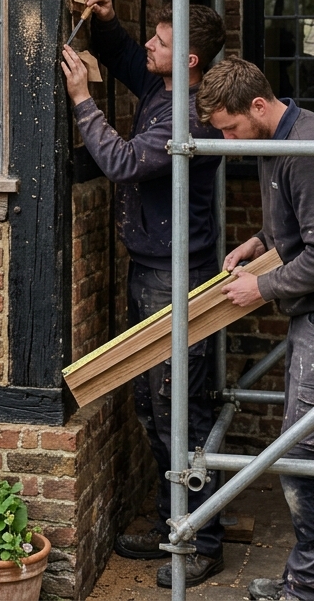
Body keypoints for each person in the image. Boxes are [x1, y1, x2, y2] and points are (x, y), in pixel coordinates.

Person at [61, 0, 227, 588]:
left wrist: (83, 99)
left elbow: (125, 162)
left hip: (174, 278)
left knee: (178, 409)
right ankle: (171, 522)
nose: (148, 46)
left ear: (188, 60)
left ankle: (202, 538)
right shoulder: (163, 86)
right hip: (151, 268)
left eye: (161, 41)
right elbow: (131, 58)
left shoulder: (188, 116)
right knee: (151, 406)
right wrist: (104, 27)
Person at [197, 57, 314, 601]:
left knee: (299, 457)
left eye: (229, 127)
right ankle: (302, 579)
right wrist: (256, 244)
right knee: (298, 454)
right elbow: (286, 227)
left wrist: (261, 289)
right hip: (307, 317)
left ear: (259, 107)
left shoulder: (305, 153)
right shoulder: (277, 144)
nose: (226, 139)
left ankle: (305, 586)